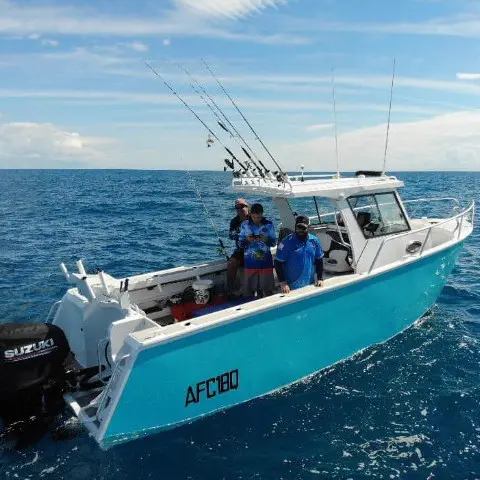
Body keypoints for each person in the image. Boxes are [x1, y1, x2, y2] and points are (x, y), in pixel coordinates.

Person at [274, 215, 324, 293]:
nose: (300, 230)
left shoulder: (314, 241)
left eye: (303, 228)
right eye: (298, 227)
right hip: (291, 287)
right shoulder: (286, 242)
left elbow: (319, 260)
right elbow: (277, 262)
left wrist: (320, 278)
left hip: (309, 284)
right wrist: (283, 283)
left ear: (308, 227)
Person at [238, 203, 276, 298]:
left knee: (267, 293)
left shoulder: (269, 225)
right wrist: (247, 240)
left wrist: (266, 240)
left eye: (259, 217)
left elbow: (274, 243)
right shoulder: (244, 225)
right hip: (250, 264)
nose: (256, 220)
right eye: (254, 217)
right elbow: (240, 244)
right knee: (248, 293)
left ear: (262, 214)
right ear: (250, 214)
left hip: (266, 264)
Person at [226, 198, 249, 294]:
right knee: (231, 263)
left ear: (247, 207)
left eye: (241, 207)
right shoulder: (234, 221)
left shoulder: (254, 217)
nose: (239, 209)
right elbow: (231, 235)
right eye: (237, 207)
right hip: (241, 250)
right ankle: (229, 289)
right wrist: (239, 235)